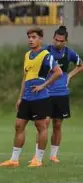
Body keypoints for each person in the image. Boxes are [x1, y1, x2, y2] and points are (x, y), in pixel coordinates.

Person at [0, 27, 63, 168]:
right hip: (27, 97)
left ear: (40, 39)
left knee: (41, 127)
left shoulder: (46, 55)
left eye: (34, 37)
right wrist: (20, 97)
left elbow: (58, 72)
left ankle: (38, 159)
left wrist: (43, 85)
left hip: (40, 98)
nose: (30, 40)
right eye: (29, 37)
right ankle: (14, 160)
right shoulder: (27, 55)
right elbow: (25, 78)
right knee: (19, 125)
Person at [30, 26, 83, 163]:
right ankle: (37, 156)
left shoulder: (69, 53)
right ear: (53, 38)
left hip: (61, 93)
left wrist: (69, 76)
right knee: (44, 123)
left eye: (61, 41)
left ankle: (53, 155)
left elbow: (80, 65)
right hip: (46, 92)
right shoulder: (46, 51)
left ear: (65, 41)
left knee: (57, 124)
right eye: (56, 40)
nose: (58, 43)